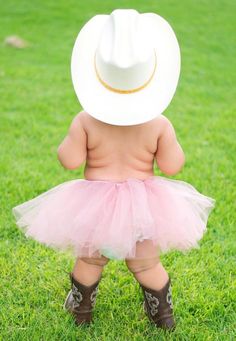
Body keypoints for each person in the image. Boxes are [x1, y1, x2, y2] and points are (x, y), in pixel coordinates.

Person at [12, 9, 215, 331]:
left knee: (91, 259)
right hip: (144, 207)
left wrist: (68, 142)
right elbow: (173, 166)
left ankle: (81, 308)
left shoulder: (85, 120)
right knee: (147, 262)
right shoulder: (159, 123)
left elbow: (68, 160)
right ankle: (162, 314)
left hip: (96, 206)